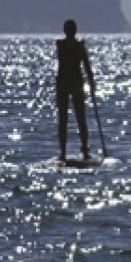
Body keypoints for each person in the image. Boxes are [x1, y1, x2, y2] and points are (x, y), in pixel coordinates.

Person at [56, 19, 95, 162]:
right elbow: (87, 68)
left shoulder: (72, 46)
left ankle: (81, 150)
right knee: (68, 118)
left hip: (73, 84)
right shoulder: (68, 46)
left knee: (77, 118)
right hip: (66, 84)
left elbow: (87, 67)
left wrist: (91, 82)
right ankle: (65, 151)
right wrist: (91, 82)